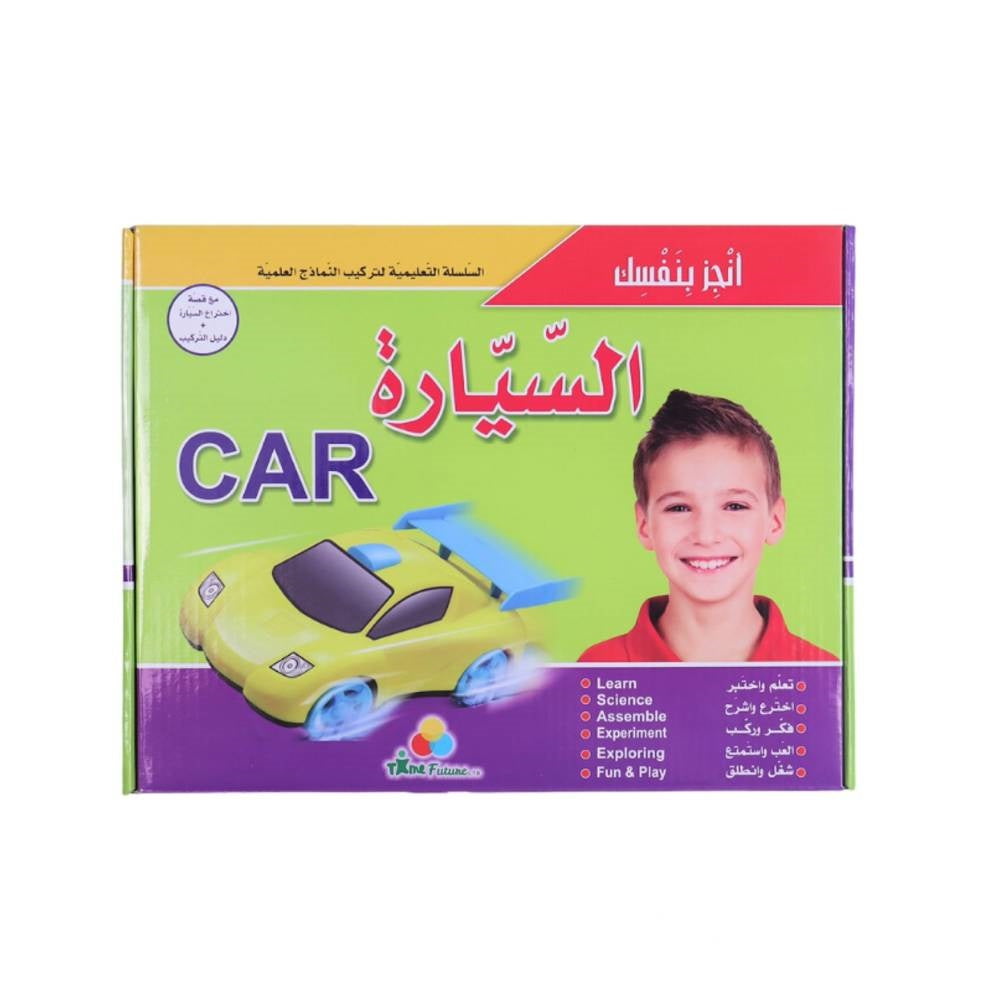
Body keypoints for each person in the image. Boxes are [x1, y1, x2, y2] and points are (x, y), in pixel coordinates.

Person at [579, 389, 837, 662]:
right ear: (644, 524)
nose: (706, 535)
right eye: (679, 508)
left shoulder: (819, 671)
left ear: (775, 520)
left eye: (734, 506)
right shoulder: (598, 669)